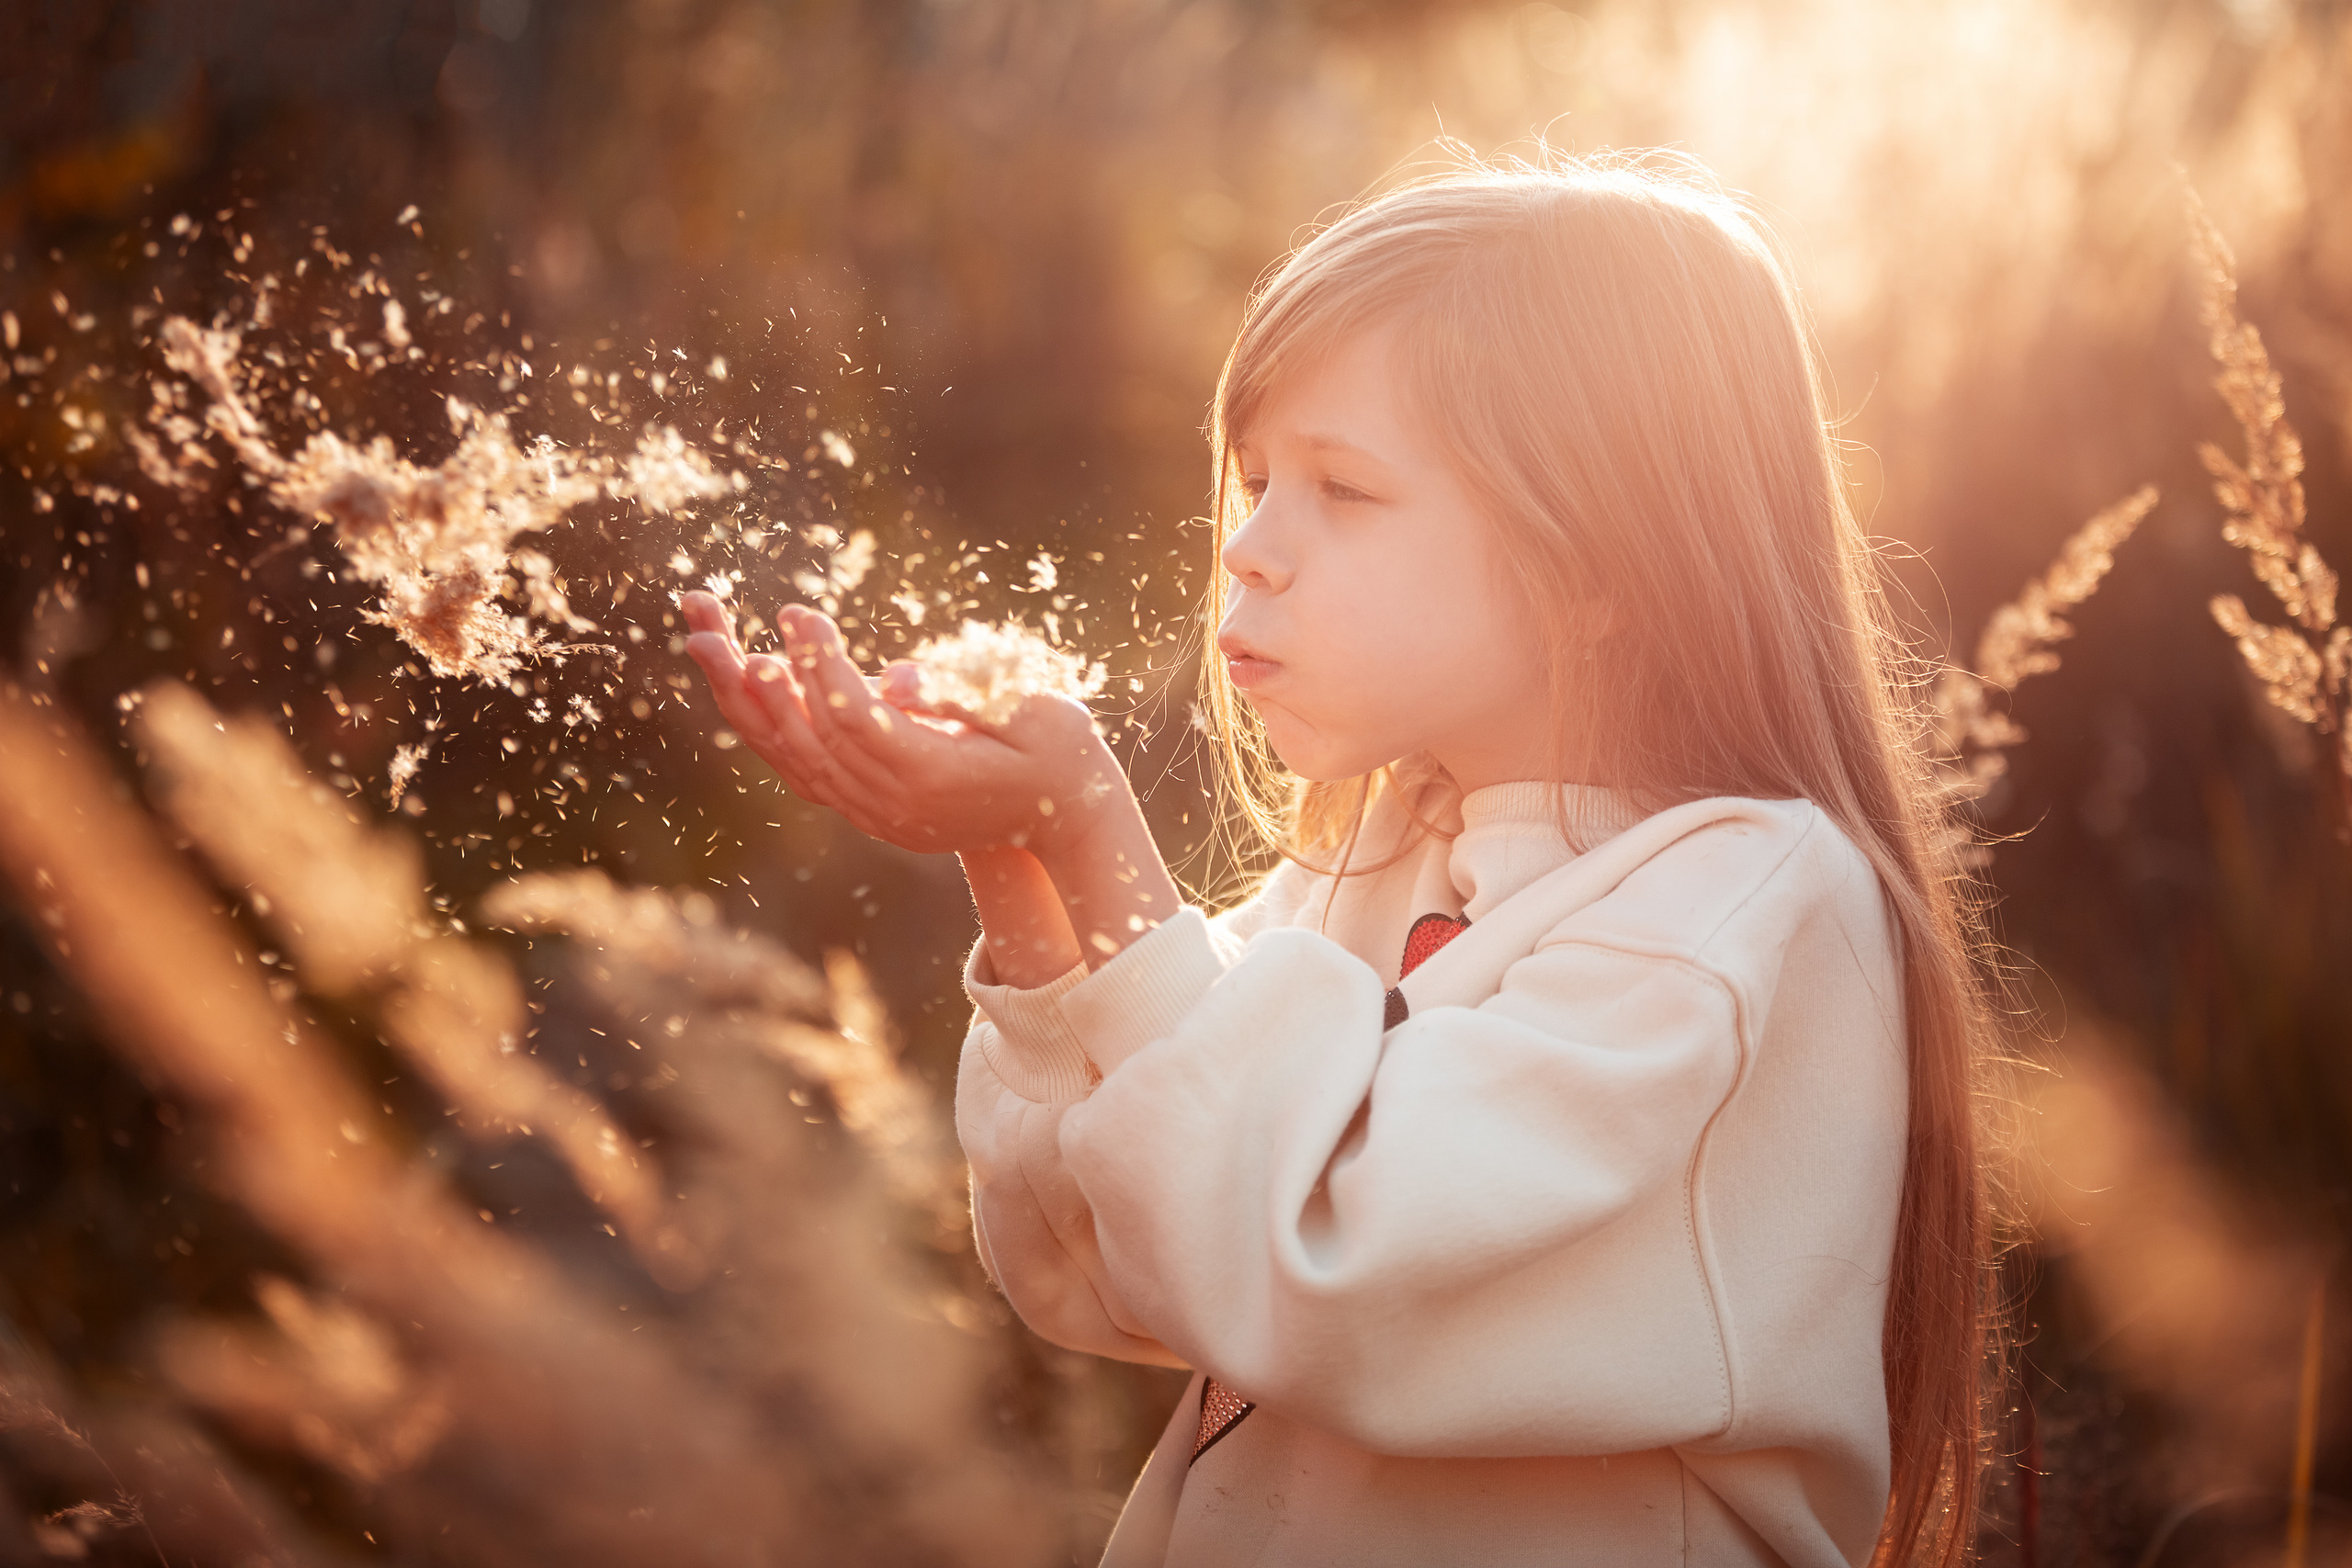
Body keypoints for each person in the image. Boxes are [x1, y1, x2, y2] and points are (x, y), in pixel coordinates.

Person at [682, 152, 2001, 1568]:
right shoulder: (1371, 872)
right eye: (1253, 482)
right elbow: (1099, 1262)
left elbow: (1323, 1270)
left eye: (1345, 491)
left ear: (1601, 561)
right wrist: (1025, 869)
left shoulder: (1740, 910)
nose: (1247, 550)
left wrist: (1093, 835)